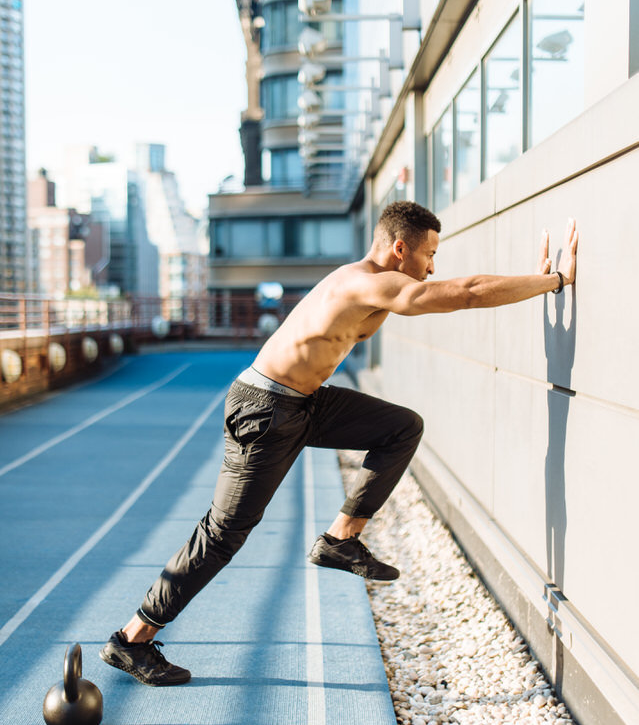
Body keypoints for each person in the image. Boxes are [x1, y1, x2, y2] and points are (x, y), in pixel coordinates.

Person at [100, 201, 578, 686]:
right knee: (224, 533)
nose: (432, 267)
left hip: (303, 403)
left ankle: (340, 540)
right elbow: (468, 293)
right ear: (399, 248)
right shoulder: (370, 281)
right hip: (265, 410)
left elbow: (461, 290)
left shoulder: (369, 280)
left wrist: (533, 282)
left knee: (401, 427)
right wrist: (552, 282)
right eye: (428, 254)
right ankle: (131, 638)